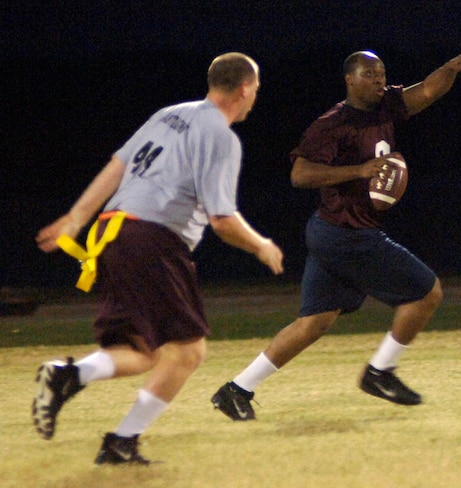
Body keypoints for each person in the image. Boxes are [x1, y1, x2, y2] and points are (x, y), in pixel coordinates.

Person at [32, 52, 284, 464]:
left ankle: (70, 376)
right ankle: (121, 441)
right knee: (188, 352)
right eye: (256, 89)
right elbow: (221, 220)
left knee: (144, 350)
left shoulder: (171, 113)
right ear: (244, 88)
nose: (255, 96)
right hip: (151, 237)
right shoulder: (220, 136)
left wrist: (77, 218)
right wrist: (261, 245)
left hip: (112, 232)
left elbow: (118, 165)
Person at [211, 48, 461, 420]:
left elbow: (428, 91)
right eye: (369, 74)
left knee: (313, 324)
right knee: (427, 293)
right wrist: (359, 170)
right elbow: (300, 174)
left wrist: (449, 68)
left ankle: (235, 390)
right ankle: (379, 372)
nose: (379, 79)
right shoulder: (331, 124)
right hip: (347, 234)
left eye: (382, 72)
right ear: (349, 79)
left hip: (331, 231)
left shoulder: (387, 105)